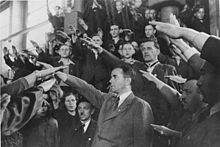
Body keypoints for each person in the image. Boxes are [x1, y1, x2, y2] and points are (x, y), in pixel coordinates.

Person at [150, 19, 220, 147]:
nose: (198, 82)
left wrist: (183, 32)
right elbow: (201, 64)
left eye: (203, 75)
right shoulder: (205, 114)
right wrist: (179, 42)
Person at [55, 64, 154, 147]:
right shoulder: (108, 100)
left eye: (115, 77)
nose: (110, 81)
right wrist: (64, 76)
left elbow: (143, 142)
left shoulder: (140, 106)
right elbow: (87, 89)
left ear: (127, 80)